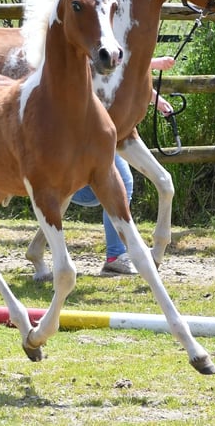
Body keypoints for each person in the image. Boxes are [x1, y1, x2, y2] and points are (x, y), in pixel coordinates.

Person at [75, 55, 177, 275]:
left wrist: (154, 99)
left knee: (117, 186)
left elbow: (124, 80)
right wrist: (152, 63)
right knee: (115, 186)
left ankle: (38, 246)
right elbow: (103, 64)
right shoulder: (107, 32)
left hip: (113, 126)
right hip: (95, 125)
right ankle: (115, 255)